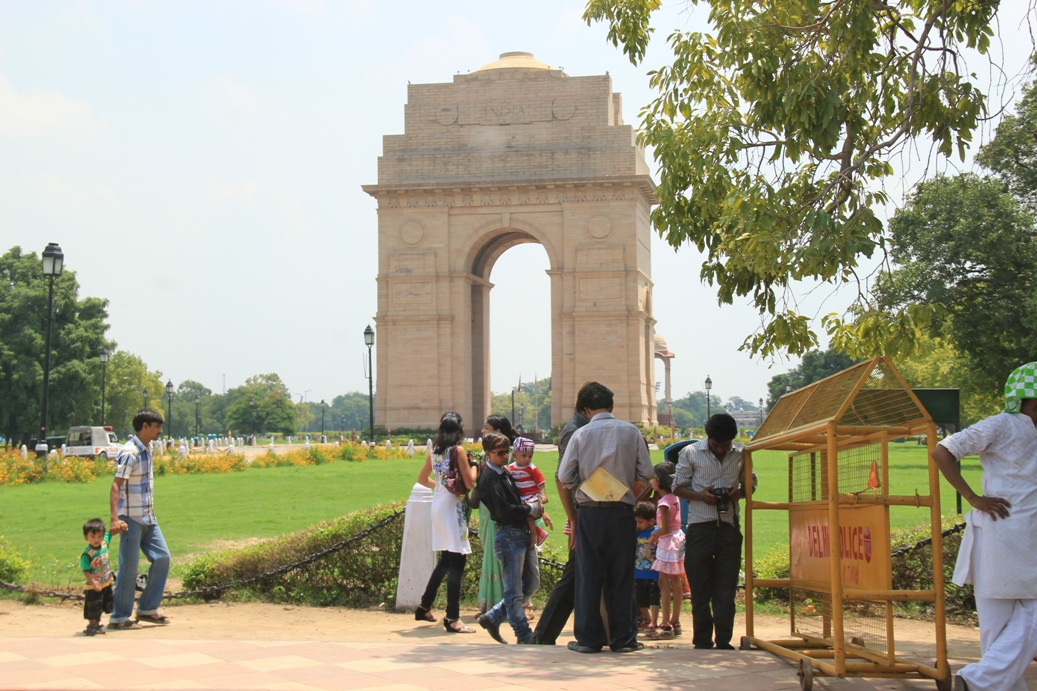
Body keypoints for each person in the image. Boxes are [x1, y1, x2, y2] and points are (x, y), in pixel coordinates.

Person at [930, 362, 1037, 691]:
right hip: (1001, 536)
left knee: (999, 638)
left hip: (1020, 539)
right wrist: (973, 497)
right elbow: (943, 451)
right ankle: (976, 681)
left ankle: (976, 683)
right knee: (998, 631)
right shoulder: (1002, 425)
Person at [557, 381, 653, 653]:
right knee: (622, 576)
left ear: (587, 409)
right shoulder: (631, 432)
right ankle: (624, 639)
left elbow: (565, 477)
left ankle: (589, 639)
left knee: (589, 576)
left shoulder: (580, 434)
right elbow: (646, 472)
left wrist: (590, 481)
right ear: (612, 406)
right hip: (622, 512)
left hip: (590, 512)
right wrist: (621, 481)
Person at [673, 413, 755, 650]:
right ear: (708, 438)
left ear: (732, 440)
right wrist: (701, 496)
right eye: (717, 445)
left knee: (726, 587)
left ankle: (723, 640)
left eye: (725, 446)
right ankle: (701, 639)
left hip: (729, 526)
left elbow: (751, 484)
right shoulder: (690, 453)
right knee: (699, 586)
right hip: (700, 526)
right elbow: (677, 486)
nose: (720, 450)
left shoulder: (741, 453)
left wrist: (736, 494)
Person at [531, 392, 590, 645]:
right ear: (589, 409)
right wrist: (573, 518)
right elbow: (562, 477)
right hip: (585, 513)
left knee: (581, 574)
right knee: (575, 574)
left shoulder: (584, 428)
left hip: (591, 512)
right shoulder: (574, 430)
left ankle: (547, 635)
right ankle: (544, 635)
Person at [475, 431, 543, 644]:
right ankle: (523, 634)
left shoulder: (504, 471)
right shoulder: (490, 477)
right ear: (488, 453)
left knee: (532, 583)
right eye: (501, 453)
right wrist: (530, 508)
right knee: (513, 592)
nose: (506, 456)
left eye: (507, 451)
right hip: (508, 535)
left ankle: (494, 616)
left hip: (521, 532)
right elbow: (503, 511)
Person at [414, 411, 479, 634]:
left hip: (439, 505)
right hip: (453, 509)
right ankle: (453, 618)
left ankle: (424, 606)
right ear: (460, 430)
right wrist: (475, 465)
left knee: (445, 561)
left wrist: (441, 487)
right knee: (457, 564)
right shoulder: (458, 451)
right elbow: (470, 483)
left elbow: (422, 479)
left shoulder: (435, 451)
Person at [108, 409, 172, 630]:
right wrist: (114, 518)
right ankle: (120, 616)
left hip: (148, 517)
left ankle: (147, 608)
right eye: (156, 427)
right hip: (130, 518)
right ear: (144, 427)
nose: (160, 431)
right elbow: (116, 485)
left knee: (162, 557)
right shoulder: (130, 452)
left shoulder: (147, 449)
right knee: (129, 567)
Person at [506, 436, 552, 619]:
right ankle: (534, 534)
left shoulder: (532, 469)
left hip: (530, 497)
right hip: (520, 500)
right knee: (527, 514)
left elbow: (541, 485)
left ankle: (534, 535)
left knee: (530, 512)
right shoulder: (508, 470)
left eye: (530, 456)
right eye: (524, 455)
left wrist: (543, 495)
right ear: (515, 454)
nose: (527, 459)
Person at [476, 414, 517, 613]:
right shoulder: (487, 454)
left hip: (500, 510)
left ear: (498, 431)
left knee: (502, 556)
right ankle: (493, 602)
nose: (483, 431)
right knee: (491, 554)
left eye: (486, 428)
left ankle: (506, 604)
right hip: (488, 509)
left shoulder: (505, 455)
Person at [80, 518, 115, 636]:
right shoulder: (88, 554)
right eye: (93, 537)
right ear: (86, 537)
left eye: (100, 536)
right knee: (92, 606)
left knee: (102, 605)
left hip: (105, 582)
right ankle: (91, 625)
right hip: (93, 585)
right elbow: (85, 570)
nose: (97, 540)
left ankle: (97, 623)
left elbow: (111, 533)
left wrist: (120, 527)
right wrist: (93, 582)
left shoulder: (104, 543)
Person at [633, 501, 660, 636]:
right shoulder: (638, 533)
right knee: (641, 599)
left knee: (655, 598)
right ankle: (648, 620)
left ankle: (654, 621)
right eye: (637, 522)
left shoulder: (656, 533)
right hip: (639, 572)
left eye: (640, 522)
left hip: (654, 572)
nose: (638, 525)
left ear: (651, 521)